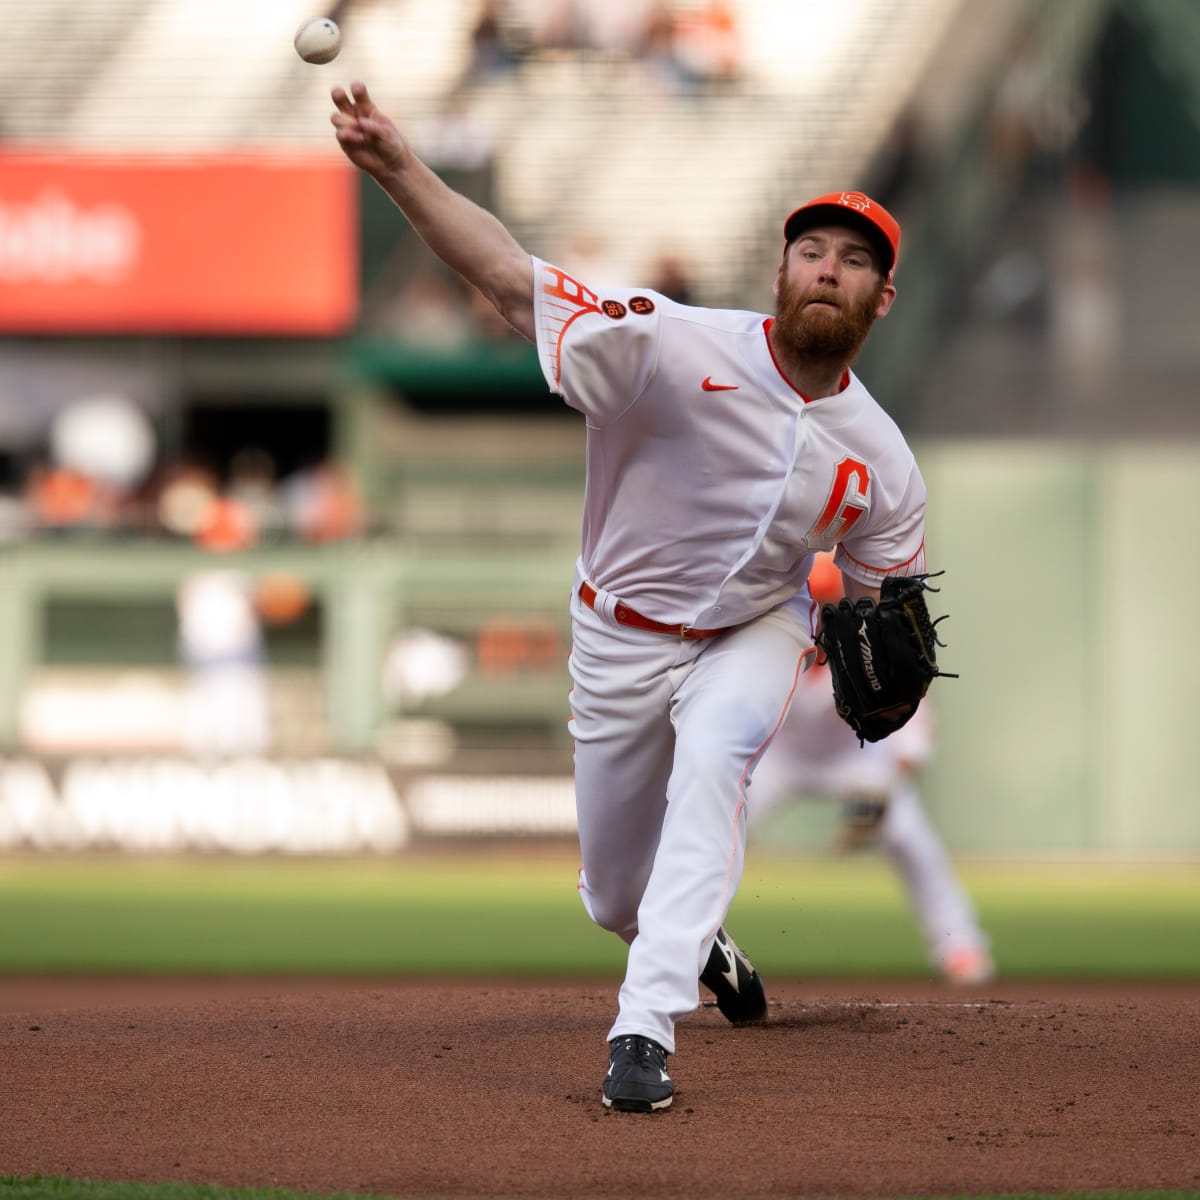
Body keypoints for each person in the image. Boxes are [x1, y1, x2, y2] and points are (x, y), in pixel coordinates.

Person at [331, 81, 929, 1113]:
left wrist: (879, 674)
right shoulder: (670, 339)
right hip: (616, 634)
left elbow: (887, 601)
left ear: (880, 299)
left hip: (753, 628)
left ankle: (642, 1032)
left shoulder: (884, 461)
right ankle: (696, 946)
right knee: (614, 893)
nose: (830, 267)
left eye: (857, 259)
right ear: (780, 272)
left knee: (715, 763)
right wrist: (398, 170)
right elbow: (516, 288)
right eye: (813, 251)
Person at [748, 553, 994, 986]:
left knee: (910, 836)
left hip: (856, 754)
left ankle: (961, 946)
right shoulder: (765, 643)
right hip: (779, 756)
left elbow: (910, 713)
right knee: (713, 822)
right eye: (815, 602)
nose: (822, 614)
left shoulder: (867, 645)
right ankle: (681, 943)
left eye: (828, 602)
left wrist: (892, 777)